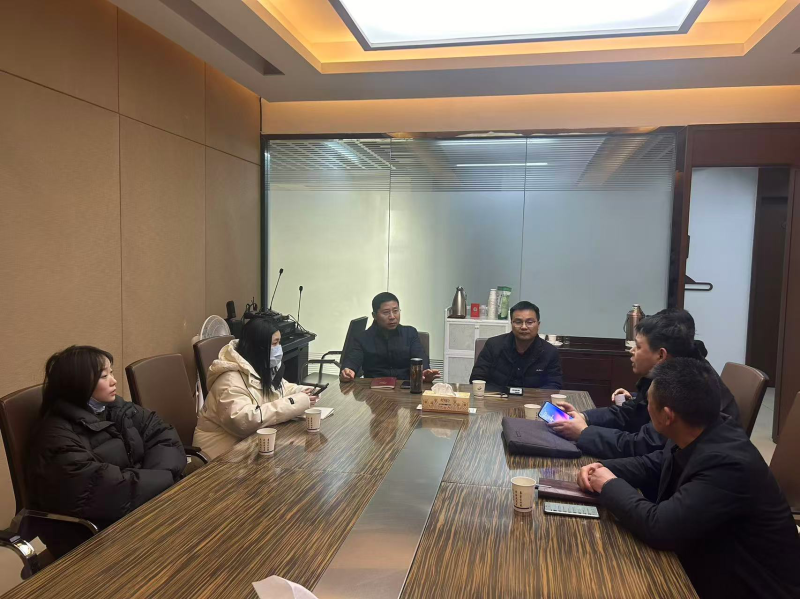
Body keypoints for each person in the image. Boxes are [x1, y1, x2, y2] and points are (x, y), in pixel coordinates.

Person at [577, 359, 800, 599]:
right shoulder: (700, 427)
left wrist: (609, 484)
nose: (645, 407)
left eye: (649, 402)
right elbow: (656, 463)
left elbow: (659, 528)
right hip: (709, 561)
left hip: (749, 587)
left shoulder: (728, 464)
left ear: (667, 416)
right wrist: (603, 468)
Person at [27, 346, 186, 554]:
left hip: (141, 510)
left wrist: (160, 476)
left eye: (111, 372)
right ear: (78, 384)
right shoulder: (57, 439)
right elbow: (108, 490)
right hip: (96, 538)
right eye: (104, 376)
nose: (114, 381)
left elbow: (161, 433)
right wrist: (165, 478)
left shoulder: (114, 407)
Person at [549, 310, 738, 458]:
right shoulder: (669, 370)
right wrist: (583, 417)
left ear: (661, 355)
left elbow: (645, 445)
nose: (632, 351)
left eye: (638, 346)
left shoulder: (686, 386)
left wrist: (584, 433)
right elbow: (631, 412)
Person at [194, 318, 318, 459]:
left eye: (279, 342)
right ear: (259, 347)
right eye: (275, 343)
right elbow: (244, 421)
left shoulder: (259, 366)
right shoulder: (229, 381)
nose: (279, 348)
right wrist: (294, 402)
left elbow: (280, 388)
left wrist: (302, 392)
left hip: (247, 448)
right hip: (219, 458)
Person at [340, 292, 440, 382]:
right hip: (373, 391)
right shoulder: (363, 338)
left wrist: (425, 371)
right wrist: (348, 370)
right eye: (386, 312)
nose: (392, 317)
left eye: (395, 311)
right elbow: (352, 360)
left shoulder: (410, 333)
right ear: (374, 315)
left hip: (405, 389)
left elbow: (420, 356)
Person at [469, 301, 562, 390]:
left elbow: (554, 385)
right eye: (518, 322)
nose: (524, 327)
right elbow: (477, 378)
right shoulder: (493, 345)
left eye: (529, 322)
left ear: (538, 325)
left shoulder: (550, 352)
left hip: (534, 400)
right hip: (497, 398)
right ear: (511, 324)